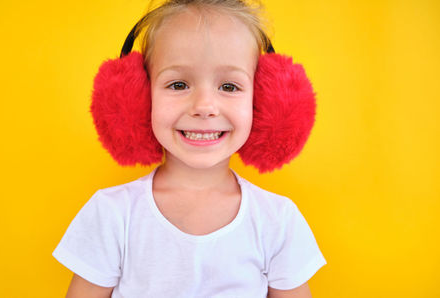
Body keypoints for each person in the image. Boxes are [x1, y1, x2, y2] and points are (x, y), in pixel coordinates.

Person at [52, 0, 327, 297]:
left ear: (266, 104)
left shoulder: (278, 220)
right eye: (179, 84)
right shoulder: (112, 214)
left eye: (230, 87)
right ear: (136, 99)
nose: (204, 107)